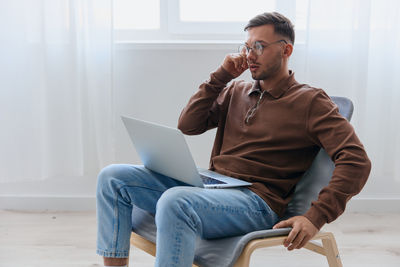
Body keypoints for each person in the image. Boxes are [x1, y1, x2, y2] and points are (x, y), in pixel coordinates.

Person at [96, 12, 371, 267]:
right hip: (213, 189)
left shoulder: (311, 101)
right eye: (247, 47)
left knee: (175, 201)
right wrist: (222, 76)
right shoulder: (236, 90)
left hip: (257, 202)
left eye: (259, 47)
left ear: (286, 50)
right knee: (113, 178)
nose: (250, 55)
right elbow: (188, 125)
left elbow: (356, 160)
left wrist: (316, 217)